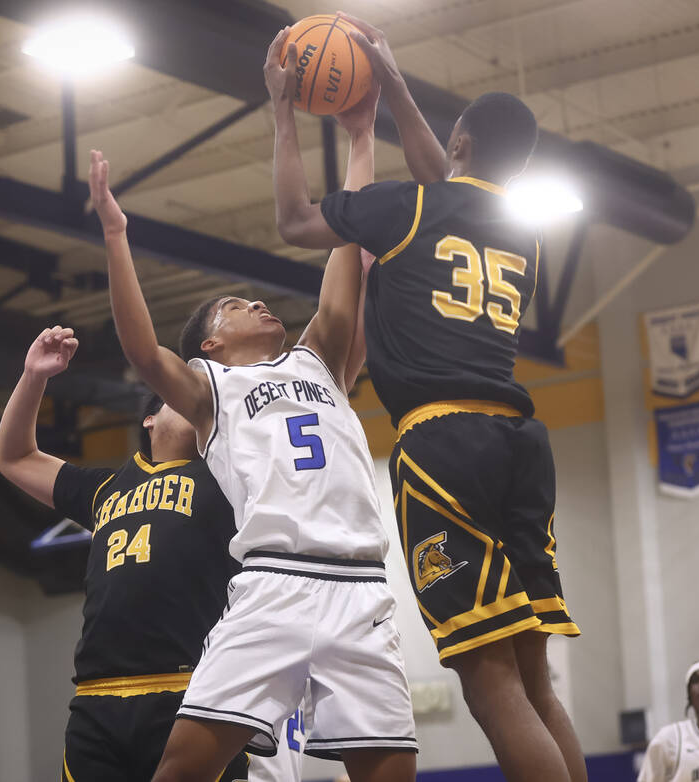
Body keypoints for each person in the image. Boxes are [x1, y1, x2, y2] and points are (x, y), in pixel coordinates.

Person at [267, 13, 584, 782]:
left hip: (445, 443)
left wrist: (282, 110)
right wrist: (392, 94)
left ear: (461, 140)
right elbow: (447, 178)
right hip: (519, 442)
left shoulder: (408, 209)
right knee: (535, 679)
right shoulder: (523, 231)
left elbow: (294, 220)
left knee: (491, 683)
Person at [88, 38, 416, 782]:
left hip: (362, 587)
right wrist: (115, 235)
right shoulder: (209, 389)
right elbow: (142, 351)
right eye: (236, 305)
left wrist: (361, 136)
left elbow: (347, 245)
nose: (259, 304)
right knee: (181, 771)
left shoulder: (321, 357)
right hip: (273, 583)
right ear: (211, 341)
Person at [0, 338, 255, 782]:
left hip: (192, 690)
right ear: (149, 417)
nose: (196, 406)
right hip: (96, 697)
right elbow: (14, 456)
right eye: (181, 397)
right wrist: (33, 377)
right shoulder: (105, 488)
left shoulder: (230, 480)